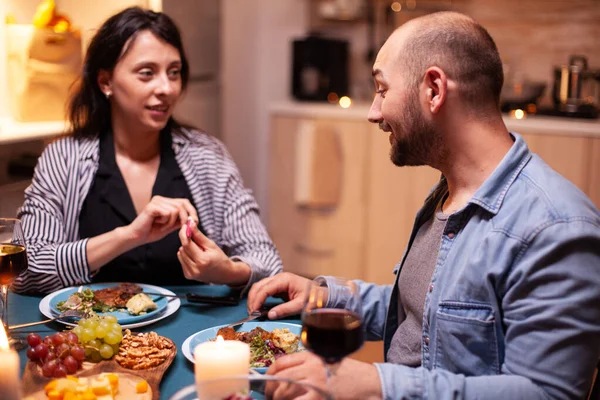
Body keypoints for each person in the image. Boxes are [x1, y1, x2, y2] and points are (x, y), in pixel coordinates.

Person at [247, 11, 600, 400]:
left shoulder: (555, 228)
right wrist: (329, 297)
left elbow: (548, 395)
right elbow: (426, 318)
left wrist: (376, 384)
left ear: (433, 89)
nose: (373, 112)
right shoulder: (449, 192)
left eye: (382, 90)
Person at [13, 7, 282, 294]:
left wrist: (226, 270)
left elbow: (267, 262)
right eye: (147, 73)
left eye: (174, 73)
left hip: (193, 334)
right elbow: (25, 270)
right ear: (105, 82)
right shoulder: (64, 158)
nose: (166, 88)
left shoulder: (207, 156)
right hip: (90, 335)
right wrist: (129, 236)